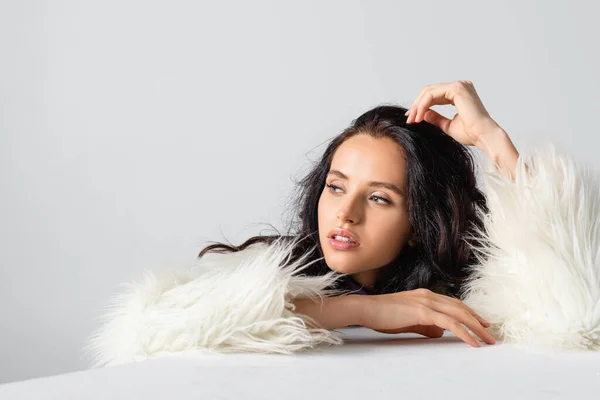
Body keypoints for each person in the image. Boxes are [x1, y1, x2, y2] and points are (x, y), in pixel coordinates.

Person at [83, 81, 600, 368]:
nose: (345, 213)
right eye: (336, 186)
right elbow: (144, 331)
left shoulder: (459, 301)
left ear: (418, 223)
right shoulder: (268, 278)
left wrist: (492, 140)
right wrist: (363, 310)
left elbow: (577, 316)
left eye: (378, 198)